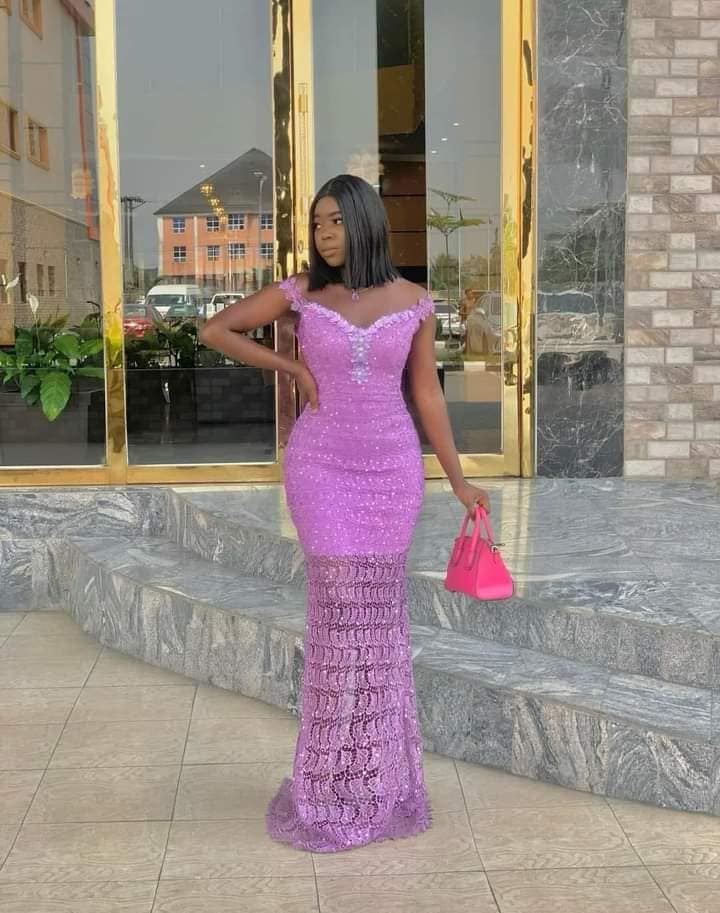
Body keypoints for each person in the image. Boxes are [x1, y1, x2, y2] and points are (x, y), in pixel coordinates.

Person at [199, 174, 490, 853]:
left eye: (335, 221)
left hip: (390, 472)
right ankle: (328, 785)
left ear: (364, 223)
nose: (324, 233)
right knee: (338, 612)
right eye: (317, 223)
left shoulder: (415, 302)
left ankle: (378, 781)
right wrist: (293, 369)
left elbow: (427, 394)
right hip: (321, 468)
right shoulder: (302, 292)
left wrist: (458, 480)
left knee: (378, 625)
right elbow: (215, 329)